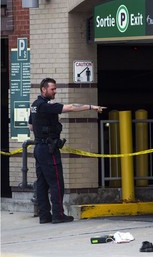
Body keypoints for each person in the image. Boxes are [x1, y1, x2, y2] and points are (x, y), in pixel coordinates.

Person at [29, 78, 106, 224]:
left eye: (55, 89)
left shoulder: (35, 105)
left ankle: (44, 215)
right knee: (57, 182)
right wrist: (91, 107)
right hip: (48, 149)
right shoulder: (46, 106)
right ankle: (58, 215)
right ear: (43, 89)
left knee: (42, 183)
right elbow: (70, 108)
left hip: (39, 148)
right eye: (52, 89)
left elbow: (31, 127)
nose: (55, 91)